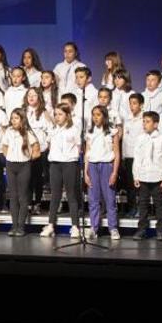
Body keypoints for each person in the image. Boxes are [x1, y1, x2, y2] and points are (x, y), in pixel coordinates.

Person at [42, 103, 81, 238]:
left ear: (67, 115)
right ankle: (51, 225)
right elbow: (48, 144)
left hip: (69, 164)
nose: (57, 117)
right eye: (56, 114)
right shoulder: (53, 130)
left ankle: (75, 226)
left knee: (71, 195)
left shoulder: (74, 130)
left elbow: (78, 146)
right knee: (55, 196)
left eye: (60, 114)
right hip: (55, 164)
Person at [132, 112, 162, 241]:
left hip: (158, 177)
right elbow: (137, 158)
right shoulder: (140, 138)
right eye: (143, 121)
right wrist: (135, 175)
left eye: (147, 121)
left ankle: (160, 230)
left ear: (155, 124)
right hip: (143, 176)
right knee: (142, 205)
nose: (144, 124)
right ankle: (142, 229)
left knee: (159, 205)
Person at [85, 105, 121, 240]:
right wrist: (86, 172)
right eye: (93, 115)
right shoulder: (90, 132)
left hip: (107, 166)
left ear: (104, 116)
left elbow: (117, 153)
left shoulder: (112, 131)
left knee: (110, 199)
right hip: (93, 166)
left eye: (98, 115)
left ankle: (113, 228)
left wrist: (114, 172)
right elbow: (87, 153)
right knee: (93, 199)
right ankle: (94, 227)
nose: (95, 117)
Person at [2, 108, 40, 237]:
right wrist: (9, 157)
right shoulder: (8, 131)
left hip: (24, 166)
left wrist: (28, 158)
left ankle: (21, 226)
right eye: (12, 118)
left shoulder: (28, 133)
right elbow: (5, 147)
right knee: (13, 196)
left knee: (22, 196)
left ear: (22, 119)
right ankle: (14, 226)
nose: (13, 120)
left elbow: (37, 149)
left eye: (16, 118)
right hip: (11, 165)